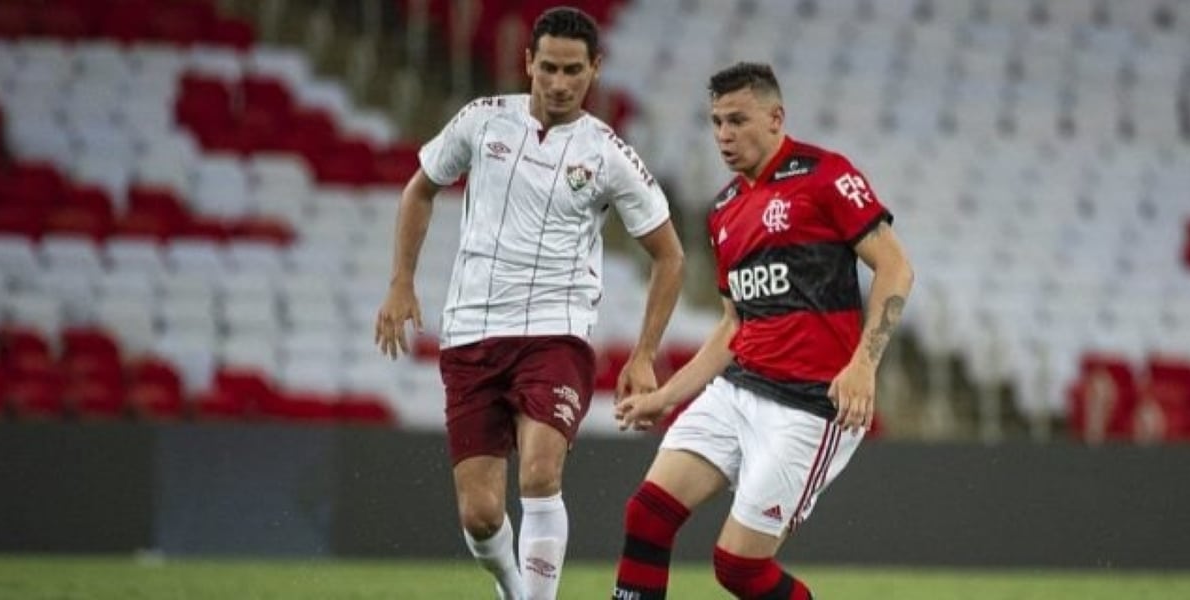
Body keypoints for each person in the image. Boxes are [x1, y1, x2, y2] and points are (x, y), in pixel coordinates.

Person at [374, 7, 684, 600]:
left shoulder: (609, 154)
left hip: (556, 334)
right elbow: (420, 189)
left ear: (595, 69)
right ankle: (516, 590)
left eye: (574, 70)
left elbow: (671, 256)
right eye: (549, 68)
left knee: (541, 474)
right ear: (527, 63)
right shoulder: (481, 122)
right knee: (482, 515)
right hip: (470, 334)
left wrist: (644, 353)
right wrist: (401, 281)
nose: (560, 83)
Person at [610, 62, 914, 600]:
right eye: (716, 123)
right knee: (646, 517)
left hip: (809, 406)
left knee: (738, 569)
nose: (724, 136)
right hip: (739, 391)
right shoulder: (724, 210)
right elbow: (735, 325)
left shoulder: (825, 175)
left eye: (738, 120)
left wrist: (864, 363)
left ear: (776, 118)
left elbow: (895, 268)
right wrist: (666, 397)